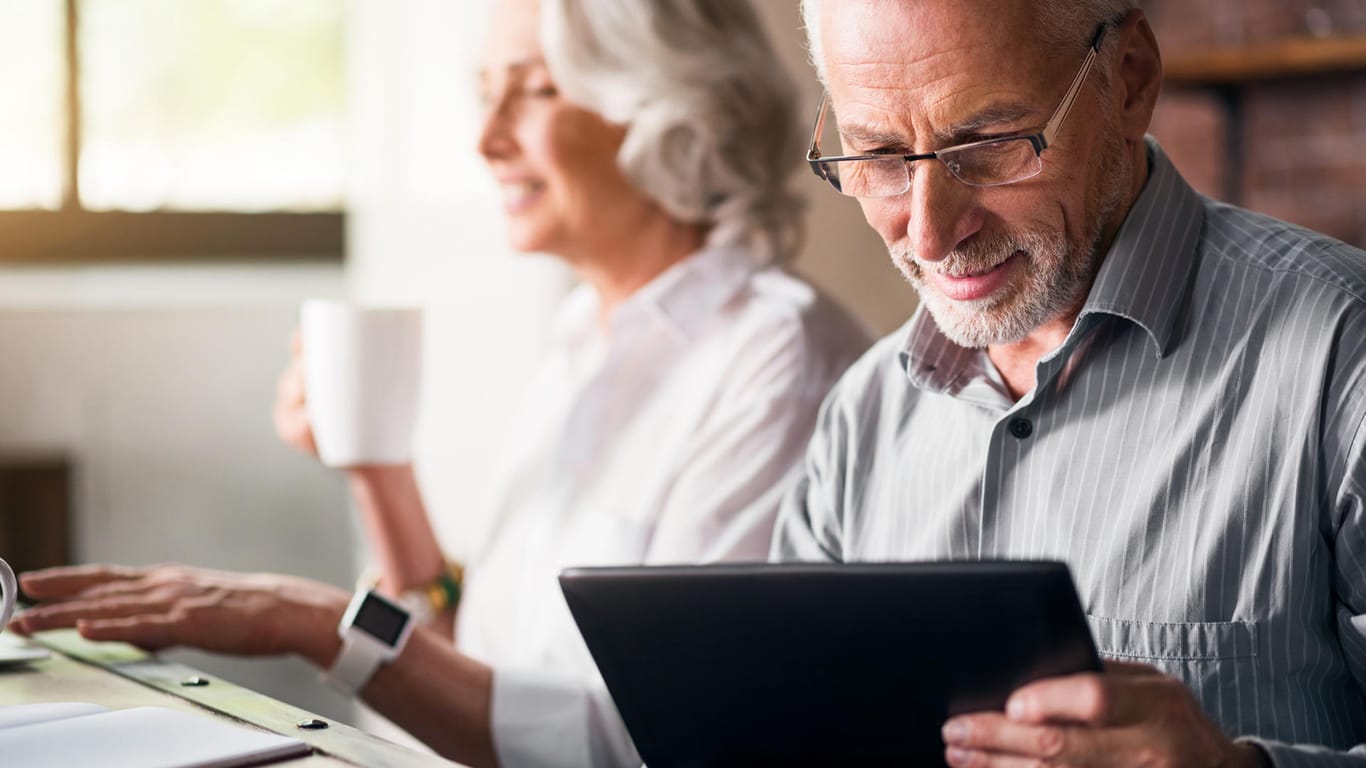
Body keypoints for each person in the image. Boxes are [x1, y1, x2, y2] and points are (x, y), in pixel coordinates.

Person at [15, 1, 869, 766]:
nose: (486, 138)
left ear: (669, 109)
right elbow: (473, 663)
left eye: (531, 90)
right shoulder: (583, 338)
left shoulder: (775, 364)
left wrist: (311, 620)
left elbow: (648, 741)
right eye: (484, 92)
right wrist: (375, 465)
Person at [776, 0, 1366, 765]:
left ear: (1129, 80)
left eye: (988, 145)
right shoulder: (862, 418)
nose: (927, 232)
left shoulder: (1341, 356)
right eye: (881, 157)